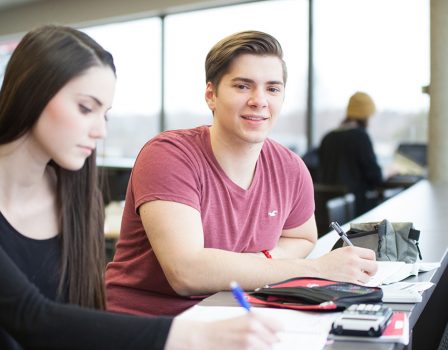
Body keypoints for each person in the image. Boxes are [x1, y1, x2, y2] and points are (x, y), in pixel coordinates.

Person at [0, 25, 284, 350]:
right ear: (32, 94)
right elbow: (29, 318)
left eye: (105, 114)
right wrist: (195, 336)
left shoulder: (75, 195)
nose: (100, 131)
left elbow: (79, 317)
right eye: (85, 108)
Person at [105, 30, 378, 316]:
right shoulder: (169, 155)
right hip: (149, 323)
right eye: (243, 86)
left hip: (235, 314)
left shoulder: (291, 168)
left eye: (273, 88)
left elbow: (302, 238)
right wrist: (316, 269)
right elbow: (187, 272)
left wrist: (260, 261)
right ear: (211, 95)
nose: (260, 100)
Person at [317, 91, 384, 215]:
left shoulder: (328, 137)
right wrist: (389, 172)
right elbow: (375, 177)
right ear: (366, 116)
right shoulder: (360, 137)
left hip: (327, 210)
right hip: (355, 208)